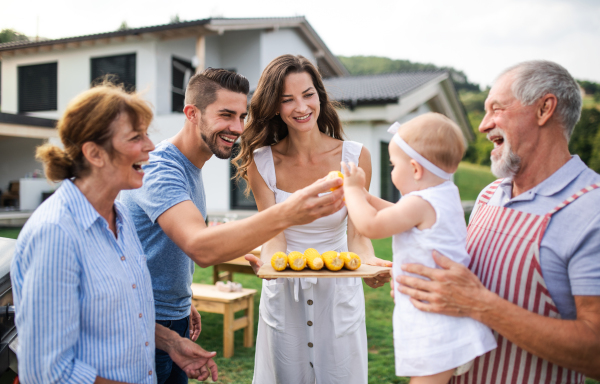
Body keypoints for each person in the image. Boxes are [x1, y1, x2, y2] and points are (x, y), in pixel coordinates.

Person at [120, 68, 346, 384]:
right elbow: (201, 247)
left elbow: (163, 247)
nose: (237, 128)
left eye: (242, 116)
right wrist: (287, 213)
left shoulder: (191, 167)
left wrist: (184, 301)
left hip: (172, 317)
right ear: (191, 113)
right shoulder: (160, 169)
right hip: (142, 327)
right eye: (226, 115)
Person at [395, 61, 600, 382]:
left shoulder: (592, 208)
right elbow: (459, 283)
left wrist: (480, 305)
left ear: (544, 109)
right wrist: (424, 288)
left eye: (497, 109)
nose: (483, 125)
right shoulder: (490, 195)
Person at [11, 84, 218, 384]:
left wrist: (171, 342)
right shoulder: (55, 234)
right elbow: (48, 372)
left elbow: (123, 311)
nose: (150, 146)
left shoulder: (119, 217)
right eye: (136, 137)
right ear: (94, 153)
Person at [234, 54, 392, 384]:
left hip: (338, 297)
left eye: (307, 94)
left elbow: (357, 231)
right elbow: (272, 231)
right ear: (274, 107)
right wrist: (269, 264)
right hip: (284, 296)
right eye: (287, 99)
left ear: (319, 95)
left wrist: (368, 266)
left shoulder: (355, 156)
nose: (301, 107)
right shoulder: (260, 163)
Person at [342, 113, 496, 384]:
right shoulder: (443, 195)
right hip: (442, 315)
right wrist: (367, 197)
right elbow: (398, 214)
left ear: (415, 169)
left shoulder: (420, 203)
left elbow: (371, 226)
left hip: (435, 321)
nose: (391, 172)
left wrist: (353, 190)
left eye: (393, 165)